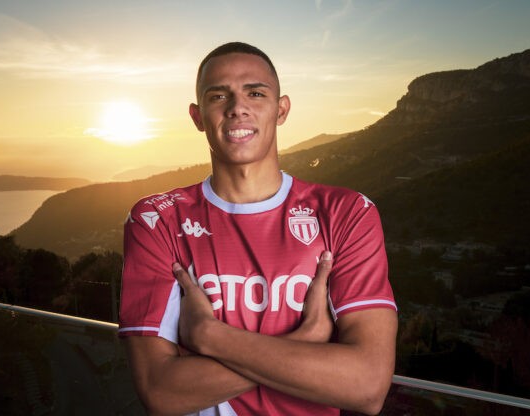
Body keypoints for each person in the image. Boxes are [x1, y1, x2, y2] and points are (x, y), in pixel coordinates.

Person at [118, 42, 397, 416]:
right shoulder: (156, 219)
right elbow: (160, 392)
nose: (237, 107)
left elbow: (366, 387)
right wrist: (305, 338)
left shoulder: (347, 213)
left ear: (281, 110)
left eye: (255, 93)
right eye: (219, 96)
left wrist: (210, 335)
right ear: (198, 116)